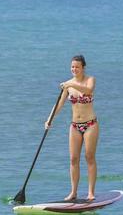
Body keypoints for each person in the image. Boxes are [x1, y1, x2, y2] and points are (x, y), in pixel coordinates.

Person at [45, 55, 98, 202]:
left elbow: (88, 90)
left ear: (83, 68)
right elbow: (59, 105)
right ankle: (73, 192)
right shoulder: (68, 85)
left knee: (89, 157)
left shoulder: (89, 80)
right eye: (72, 67)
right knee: (73, 159)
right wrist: (49, 119)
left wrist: (70, 85)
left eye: (77, 67)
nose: (74, 69)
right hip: (75, 126)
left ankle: (90, 193)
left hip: (90, 125)